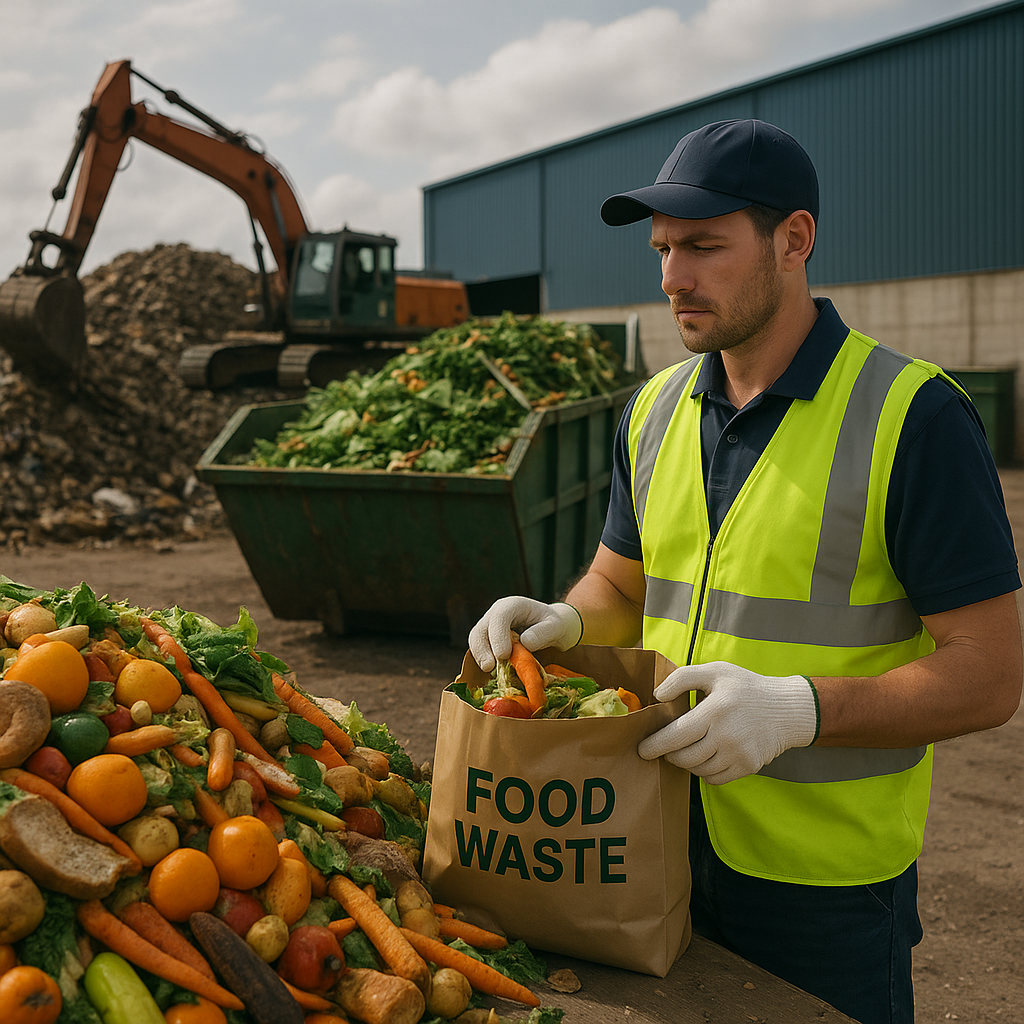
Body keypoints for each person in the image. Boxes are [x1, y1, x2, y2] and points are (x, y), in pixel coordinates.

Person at [468, 119, 1023, 1024]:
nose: (671, 277)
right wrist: (562, 622)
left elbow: (990, 674)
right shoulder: (651, 410)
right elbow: (620, 585)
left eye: (703, 246)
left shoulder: (912, 416)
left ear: (794, 241)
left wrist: (798, 711)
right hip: (648, 842)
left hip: (825, 891)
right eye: (662, 249)